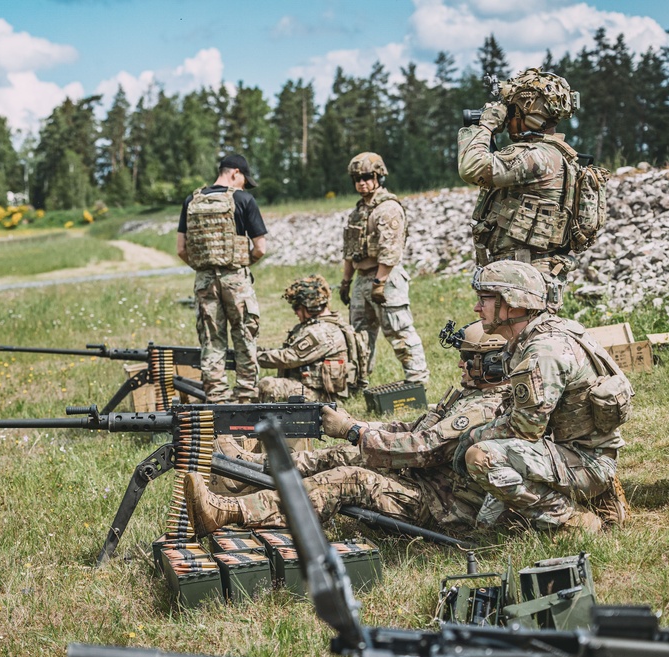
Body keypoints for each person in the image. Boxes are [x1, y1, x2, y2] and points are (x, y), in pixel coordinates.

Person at [185, 321, 511, 536]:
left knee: (350, 479)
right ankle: (245, 469)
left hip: (445, 508)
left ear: (494, 363)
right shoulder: (472, 395)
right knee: (340, 456)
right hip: (425, 483)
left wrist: (355, 431)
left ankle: (230, 512)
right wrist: (359, 426)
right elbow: (410, 428)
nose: (460, 364)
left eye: (468, 358)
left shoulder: (485, 407)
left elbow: (422, 449)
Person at [460, 260, 632, 532]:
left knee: (481, 457)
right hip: (572, 450)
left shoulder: (544, 351)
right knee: (486, 525)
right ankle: (600, 499)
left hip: (587, 462)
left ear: (513, 303)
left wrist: (473, 436)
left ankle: (574, 519)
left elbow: (525, 429)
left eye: (485, 300)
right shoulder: (542, 333)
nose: (477, 308)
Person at [457, 68, 582, 310]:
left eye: (512, 111)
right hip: (522, 274)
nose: (508, 118)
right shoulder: (548, 153)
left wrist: (486, 126)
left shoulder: (537, 157)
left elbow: (471, 168)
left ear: (530, 115)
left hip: (525, 278)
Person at [177, 155, 267, 403]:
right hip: (235, 278)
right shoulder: (243, 199)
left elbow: (181, 249)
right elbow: (260, 247)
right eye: (244, 181)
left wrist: (203, 268)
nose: (244, 187)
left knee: (211, 339)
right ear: (235, 173)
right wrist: (240, 265)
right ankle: (246, 396)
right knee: (244, 335)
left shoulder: (191, 200)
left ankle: (217, 398)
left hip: (204, 280)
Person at [338, 152, 428, 385]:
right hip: (362, 277)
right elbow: (349, 251)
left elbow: (391, 250)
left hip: (385, 278)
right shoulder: (358, 211)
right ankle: (359, 381)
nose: (361, 182)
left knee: (398, 330)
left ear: (378, 176)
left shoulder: (387, 208)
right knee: (359, 336)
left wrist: (379, 282)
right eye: (356, 179)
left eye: (367, 177)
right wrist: (346, 282)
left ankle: (417, 379)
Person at [256, 275, 366, 403]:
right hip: (323, 392)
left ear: (309, 307)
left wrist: (253, 357)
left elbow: (288, 358)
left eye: (296, 307)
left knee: (267, 386)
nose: (295, 312)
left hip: (324, 397)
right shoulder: (332, 324)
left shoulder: (322, 331)